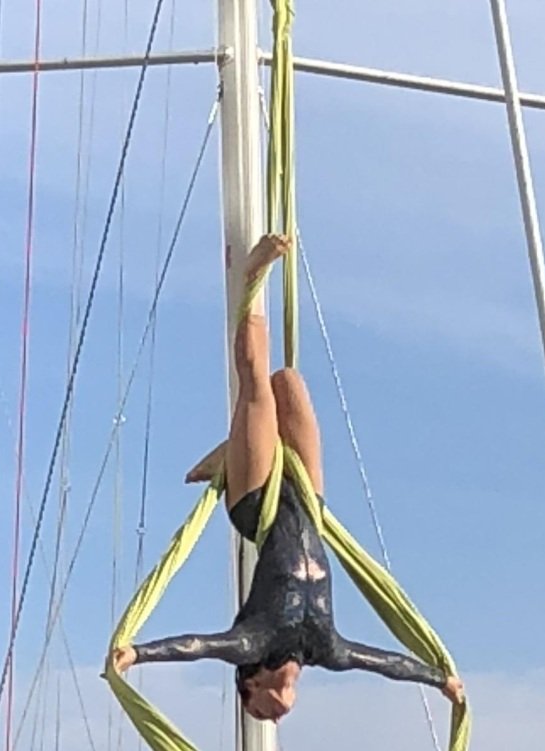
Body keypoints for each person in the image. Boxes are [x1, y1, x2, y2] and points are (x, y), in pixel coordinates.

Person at [111, 233, 465, 723]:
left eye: (260, 713)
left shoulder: (252, 639)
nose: (273, 718)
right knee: (289, 384)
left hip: (259, 504)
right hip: (308, 504)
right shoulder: (328, 649)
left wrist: (139, 654)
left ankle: (252, 279)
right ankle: (231, 451)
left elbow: (196, 646)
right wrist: (438, 677)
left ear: (251, 684)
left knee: (257, 380)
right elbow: (384, 663)